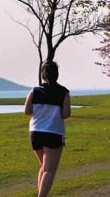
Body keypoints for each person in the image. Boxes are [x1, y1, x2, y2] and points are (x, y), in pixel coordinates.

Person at [24, 61, 71, 197]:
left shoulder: (34, 91)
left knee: (44, 168)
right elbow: (65, 114)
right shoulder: (64, 92)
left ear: (43, 74)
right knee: (49, 171)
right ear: (57, 74)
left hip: (35, 133)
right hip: (53, 132)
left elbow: (27, 111)